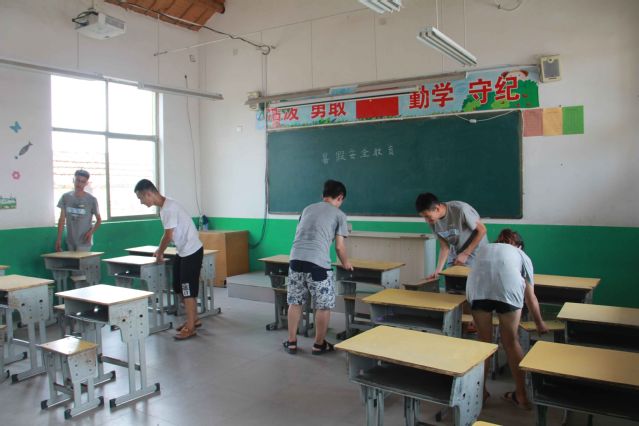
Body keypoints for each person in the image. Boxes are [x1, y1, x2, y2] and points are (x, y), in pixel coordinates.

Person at [466, 229, 548, 409]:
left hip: (478, 291)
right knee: (511, 342)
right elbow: (530, 297)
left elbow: (473, 275)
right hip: (508, 291)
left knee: (484, 343)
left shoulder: (485, 248)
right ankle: (521, 396)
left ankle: (480, 393)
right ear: (519, 246)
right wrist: (539, 323)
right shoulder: (521, 254)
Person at [283, 179, 353, 355]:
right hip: (318, 264)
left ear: (323, 195)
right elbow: (339, 247)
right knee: (323, 306)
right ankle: (318, 344)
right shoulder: (340, 215)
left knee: (295, 302)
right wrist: (346, 263)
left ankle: (291, 342)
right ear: (340, 197)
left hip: (295, 260)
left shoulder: (307, 209)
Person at [134, 179, 203, 340]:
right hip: (183, 251)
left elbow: (168, 235)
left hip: (192, 251)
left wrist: (159, 252)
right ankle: (193, 319)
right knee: (178, 286)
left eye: (141, 198)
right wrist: (160, 250)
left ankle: (191, 327)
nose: (141, 202)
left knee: (187, 290)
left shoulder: (169, 209)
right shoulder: (165, 207)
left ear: (148, 194)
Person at [415, 192, 487, 279]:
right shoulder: (433, 221)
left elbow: (482, 230)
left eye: (427, 216)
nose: (426, 220)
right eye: (424, 217)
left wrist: (466, 253)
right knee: (450, 278)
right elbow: (444, 247)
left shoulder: (461, 209)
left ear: (437, 208)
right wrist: (438, 271)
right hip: (457, 249)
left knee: (469, 281)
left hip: (476, 250)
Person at [56, 169, 101, 252]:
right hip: (70, 240)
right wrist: (58, 239)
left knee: (81, 260)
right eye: (77, 180)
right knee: (71, 260)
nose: (79, 184)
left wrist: (90, 232)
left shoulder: (92, 200)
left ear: (86, 183)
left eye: (83, 182)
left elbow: (99, 220)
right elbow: (61, 220)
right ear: (73, 180)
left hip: (84, 241)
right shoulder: (65, 197)